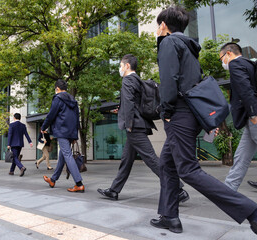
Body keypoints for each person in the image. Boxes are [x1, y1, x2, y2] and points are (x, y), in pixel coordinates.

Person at [150, 6, 257, 235]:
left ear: (164, 26)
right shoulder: (189, 47)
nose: (157, 30)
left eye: (159, 25)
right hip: (190, 113)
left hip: (178, 113)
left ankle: (251, 211)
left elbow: (169, 81)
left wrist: (166, 111)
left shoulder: (169, 43)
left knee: (187, 169)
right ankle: (170, 217)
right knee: (166, 164)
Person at [97, 54, 189, 203]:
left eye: (120, 66)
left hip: (134, 126)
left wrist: (128, 124)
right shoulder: (137, 80)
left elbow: (128, 103)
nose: (120, 69)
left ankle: (178, 189)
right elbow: (134, 103)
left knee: (152, 159)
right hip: (138, 124)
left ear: (127, 66)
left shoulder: (127, 80)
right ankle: (114, 190)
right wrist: (122, 111)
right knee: (126, 161)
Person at [217, 43, 257, 191]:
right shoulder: (249, 63)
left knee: (242, 156)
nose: (222, 62)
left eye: (221, 58)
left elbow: (245, 90)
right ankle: (228, 189)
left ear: (228, 53)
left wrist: (253, 113)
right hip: (250, 116)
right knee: (242, 156)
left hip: (254, 115)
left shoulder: (235, 64)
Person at [42, 79, 84, 192]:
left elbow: (51, 115)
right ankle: (53, 179)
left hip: (62, 131)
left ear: (57, 89)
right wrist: (75, 135)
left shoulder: (58, 98)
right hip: (70, 132)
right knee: (62, 156)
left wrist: (43, 127)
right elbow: (76, 118)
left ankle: (79, 183)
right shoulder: (73, 100)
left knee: (67, 155)